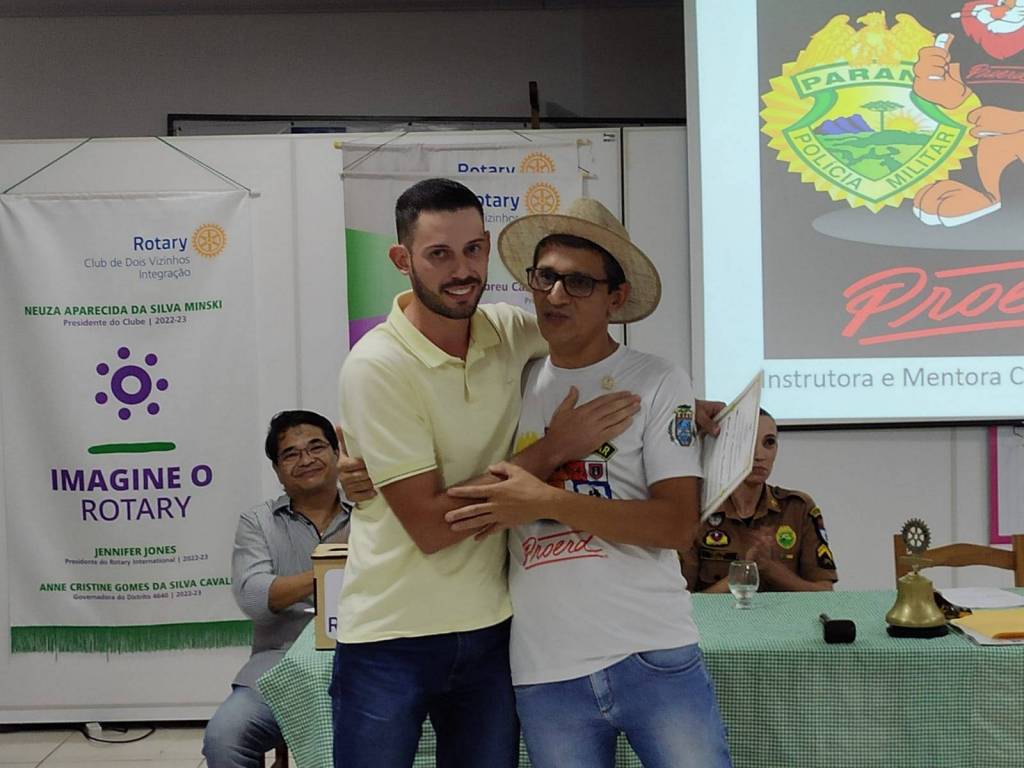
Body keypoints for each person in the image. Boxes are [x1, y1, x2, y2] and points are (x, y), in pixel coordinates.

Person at [331, 178, 642, 768]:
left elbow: (590, 348)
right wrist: (553, 448)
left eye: (473, 249)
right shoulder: (377, 366)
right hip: (390, 635)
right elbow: (431, 527)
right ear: (401, 259)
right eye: (439, 254)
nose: (462, 270)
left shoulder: (507, 329)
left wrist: (682, 404)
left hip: (492, 628)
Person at [443, 198, 732, 768]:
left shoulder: (656, 380)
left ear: (615, 299)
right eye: (545, 277)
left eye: (578, 283)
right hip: (546, 669)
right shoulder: (512, 381)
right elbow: (465, 498)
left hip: (650, 649)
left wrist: (547, 500)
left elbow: (676, 525)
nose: (555, 295)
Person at [203, 410, 352, 768]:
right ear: (277, 470)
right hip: (280, 662)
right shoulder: (258, 522)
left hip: (368, 656)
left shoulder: (373, 512)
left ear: (337, 454)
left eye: (316, 447)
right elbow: (254, 596)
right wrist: (333, 569)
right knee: (225, 739)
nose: (306, 459)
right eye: (291, 454)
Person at [680, 409, 838, 593]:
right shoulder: (697, 509)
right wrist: (744, 572)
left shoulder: (798, 508)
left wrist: (770, 569)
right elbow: (682, 600)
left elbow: (825, 593)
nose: (759, 455)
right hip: (718, 613)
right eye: (748, 443)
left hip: (784, 612)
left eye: (769, 443)